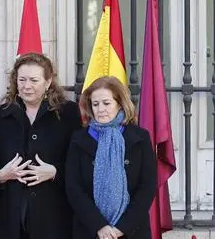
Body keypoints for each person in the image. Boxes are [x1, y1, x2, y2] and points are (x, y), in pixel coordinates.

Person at [0, 52, 82, 239]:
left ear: (48, 82)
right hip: (9, 215)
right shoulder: (2, 113)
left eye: (34, 80)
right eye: (21, 79)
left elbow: (79, 163)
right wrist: (0, 175)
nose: (26, 86)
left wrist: (55, 172)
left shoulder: (68, 112)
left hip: (53, 215)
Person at [65, 76, 157, 239]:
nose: (100, 109)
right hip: (89, 230)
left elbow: (147, 186)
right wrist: (99, 226)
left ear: (119, 103)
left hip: (132, 230)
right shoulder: (79, 139)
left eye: (106, 103)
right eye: (95, 104)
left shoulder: (139, 138)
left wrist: (122, 227)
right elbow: (74, 187)